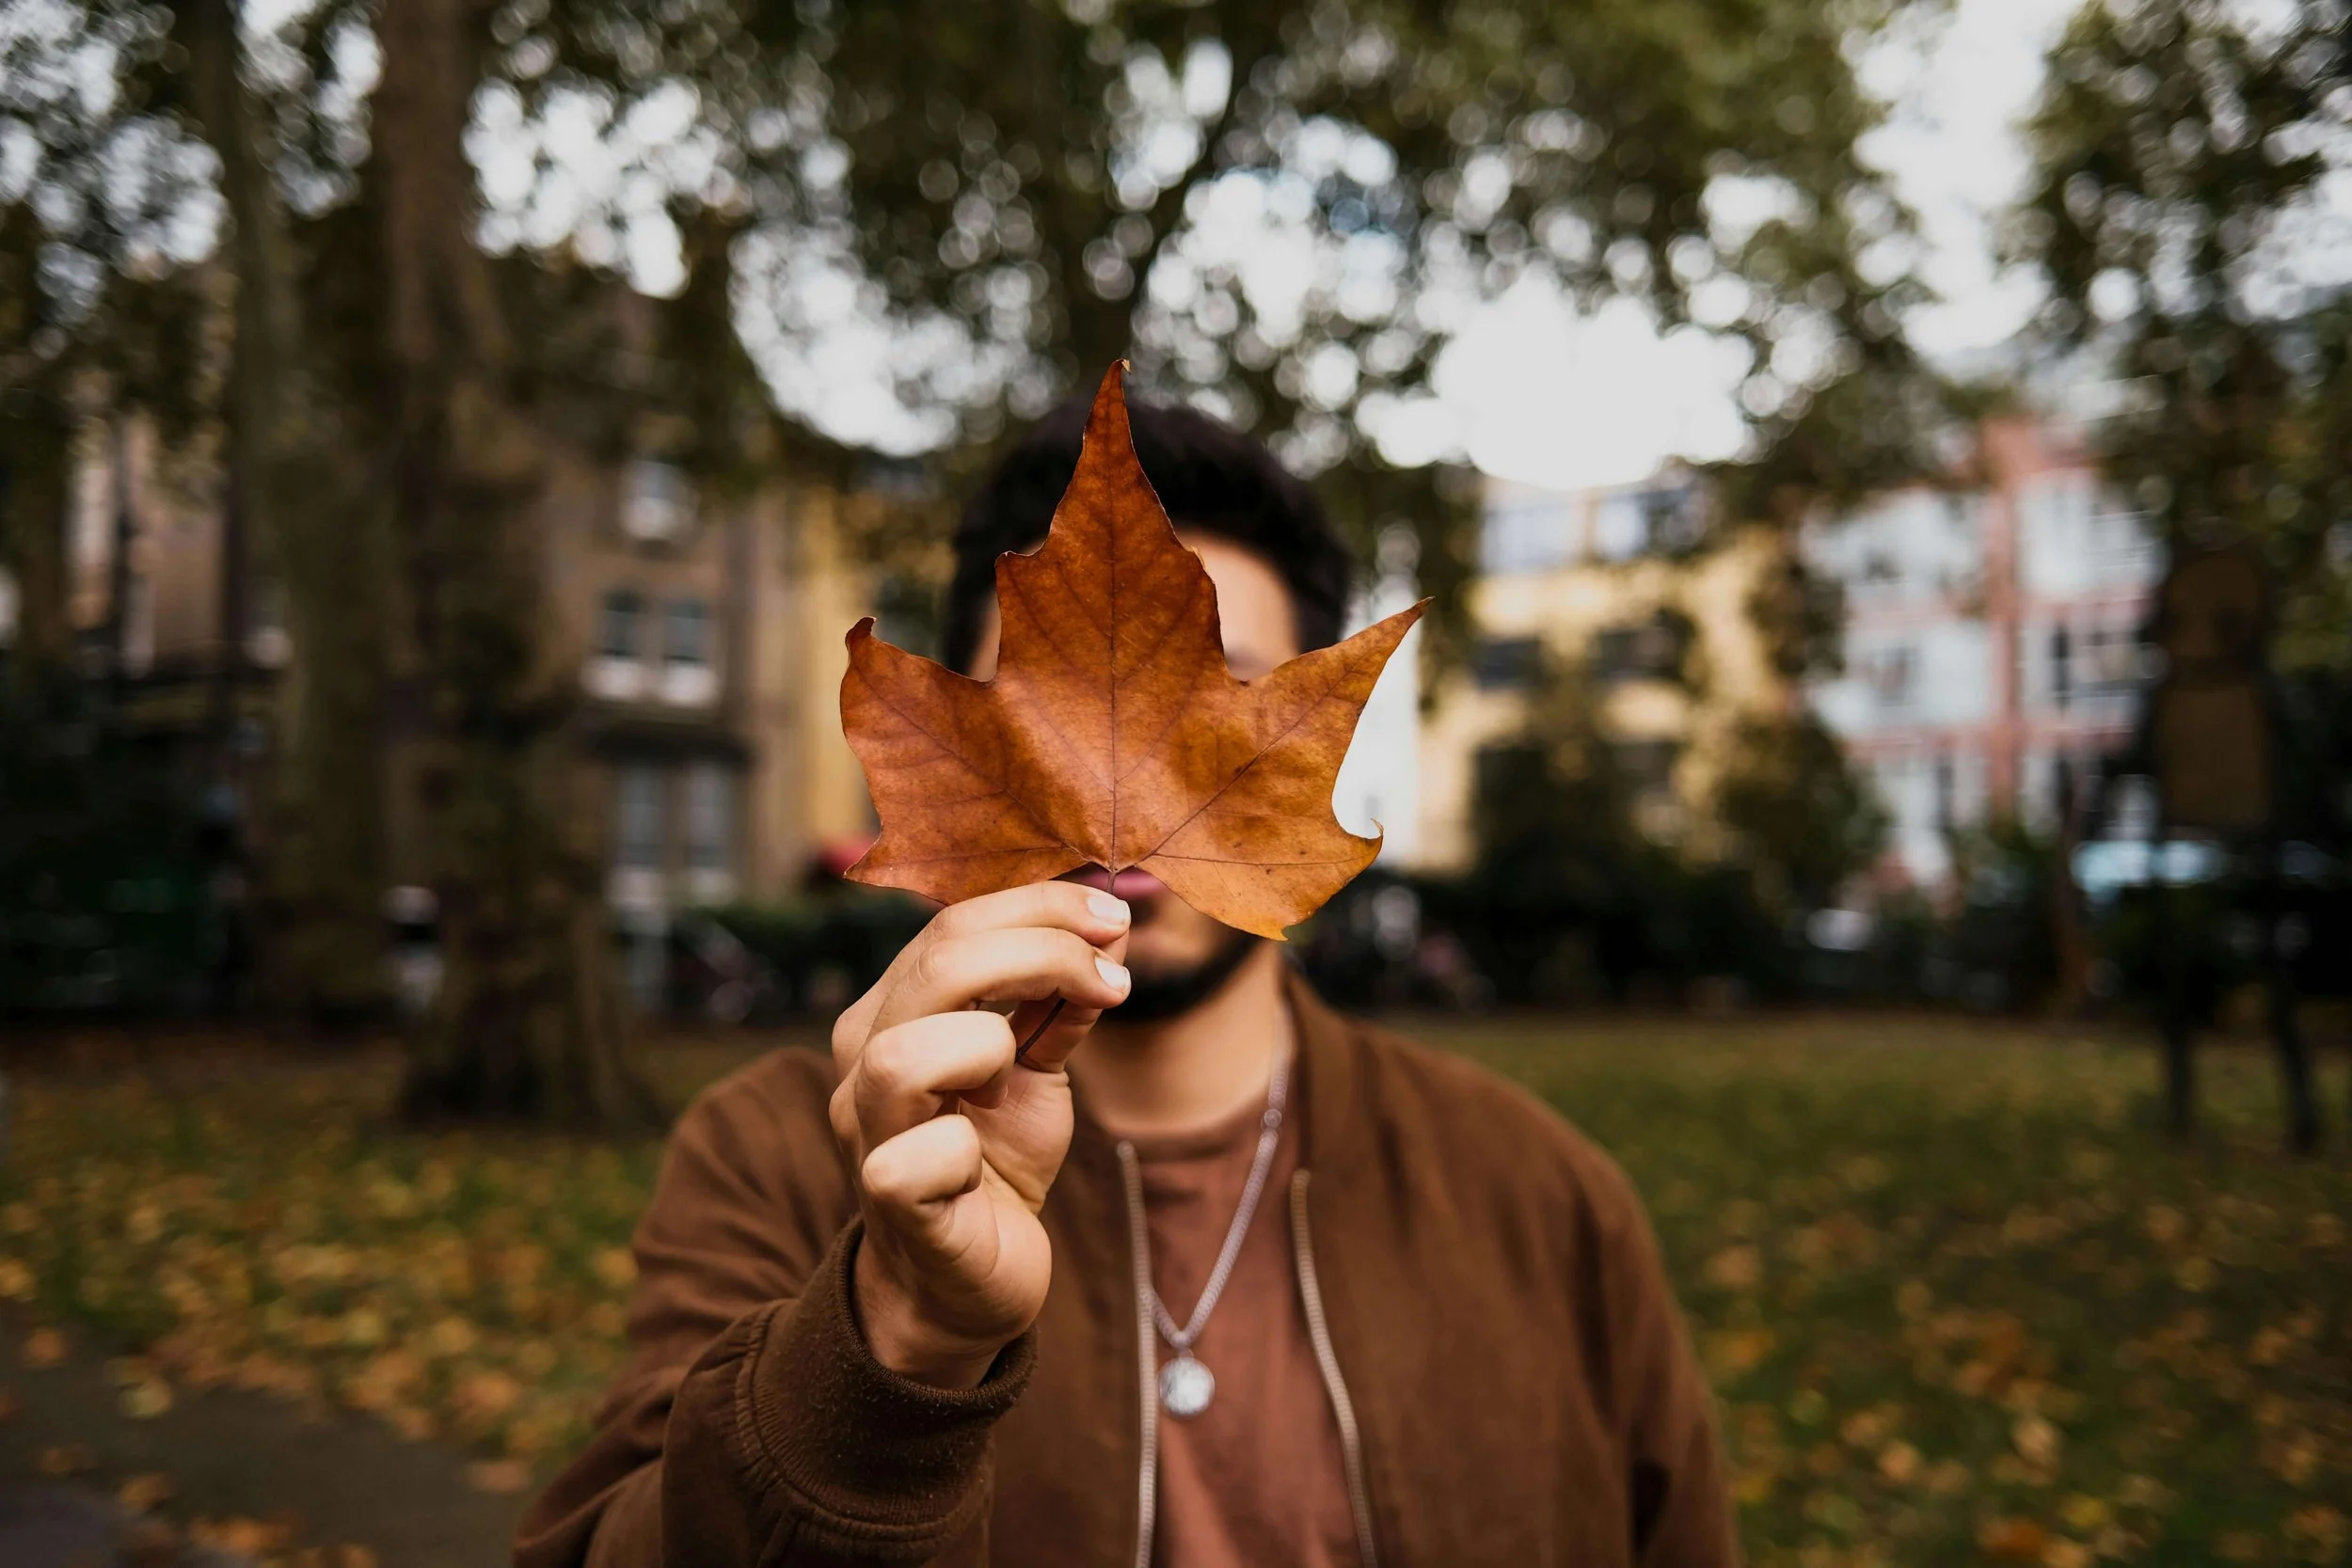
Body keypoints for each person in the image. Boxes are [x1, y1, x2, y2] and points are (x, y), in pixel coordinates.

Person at [516, 396, 1739, 1568]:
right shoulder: (777, 1165)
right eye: (1047, 721)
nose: (1132, 790)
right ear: (946, 752)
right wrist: (895, 1338)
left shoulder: (1541, 1197)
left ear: (1316, 750)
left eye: (1209, 707)